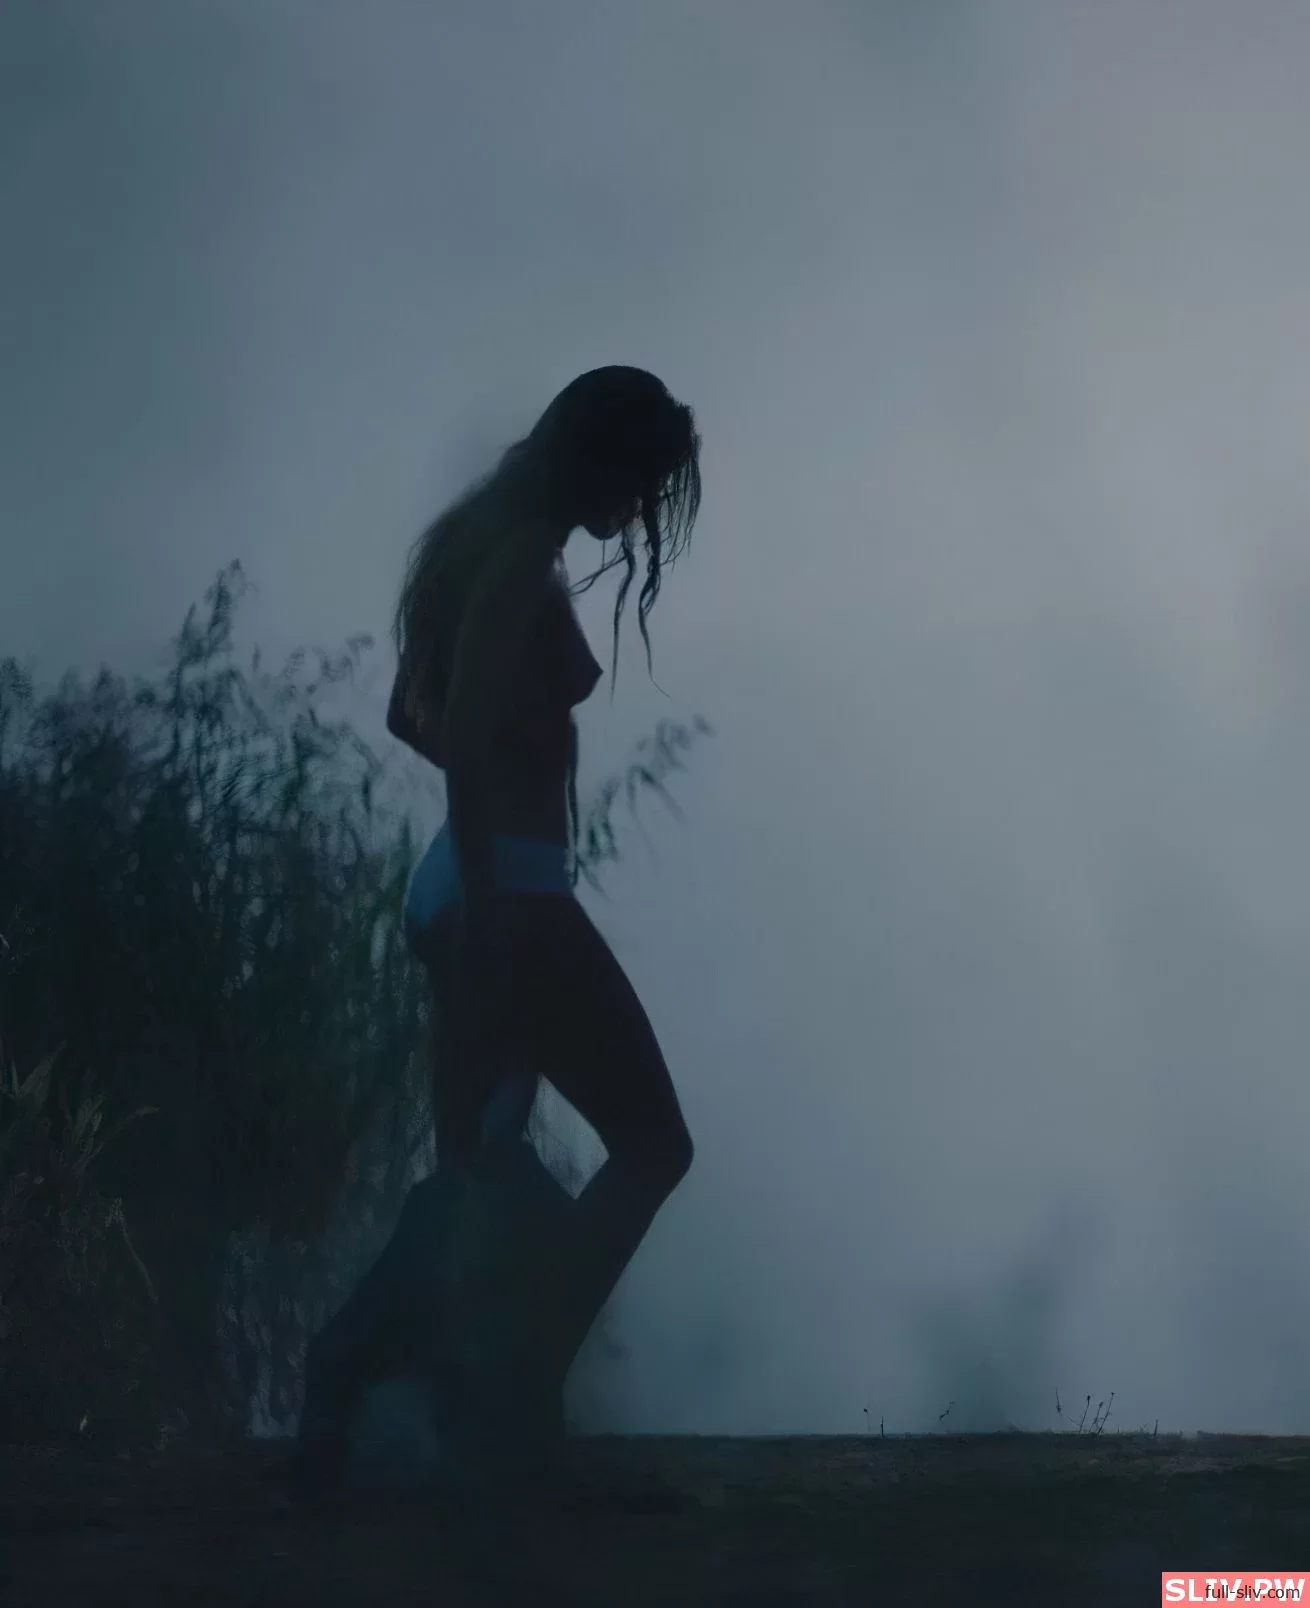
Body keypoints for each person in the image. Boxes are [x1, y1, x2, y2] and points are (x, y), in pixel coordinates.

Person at [297, 366, 702, 1489]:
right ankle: (497, 1387)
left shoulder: (488, 544)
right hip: (505, 895)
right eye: (642, 479)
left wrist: (488, 810)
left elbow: (410, 716)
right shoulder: (522, 557)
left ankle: (444, 1406)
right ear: (599, 457)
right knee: (653, 1144)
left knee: (482, 1166)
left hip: (478, 886)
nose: (644, 507)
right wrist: (489, 904)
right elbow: (464, 731)